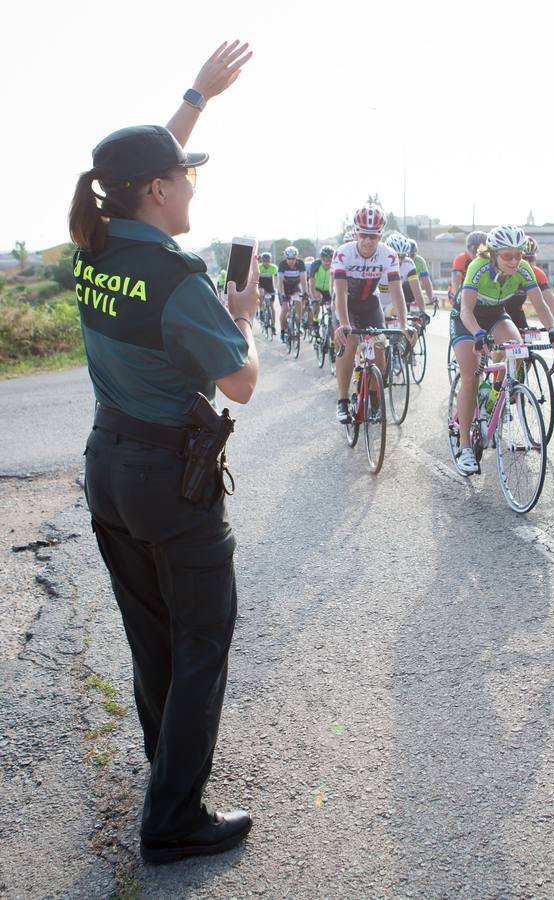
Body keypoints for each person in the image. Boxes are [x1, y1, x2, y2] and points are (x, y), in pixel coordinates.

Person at [67, 41, 258, 865]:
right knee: (203, 642)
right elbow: (241, 384)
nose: (192, 185)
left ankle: (166, 777)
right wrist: (241, 313)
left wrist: (196, 97)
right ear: (159, 190)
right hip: (165, 480)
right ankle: (174, 820)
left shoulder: (95, 242)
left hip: (107, 466)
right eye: (185, 175)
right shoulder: (181, 277)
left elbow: (133, 168)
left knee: (153, 640)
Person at [450, 225, 554, 475]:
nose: (514, 260)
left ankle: (493, 398)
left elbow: (540, 304)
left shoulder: (524, 269)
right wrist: (478, 334)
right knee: (470, 375)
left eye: (518, 254)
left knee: (519, 349)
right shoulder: (477, 268)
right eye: (507, 255)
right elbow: (467, 310)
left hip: (495, 315)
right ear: (493, 254)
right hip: (466, 318)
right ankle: (465, 446)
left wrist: (553, 329)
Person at [332, 204, 410, 424]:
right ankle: (343, 400)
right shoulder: (344, 253)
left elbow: (397, 292)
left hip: (370, 304)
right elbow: (340, 291)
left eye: (373, 236)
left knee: (379, 348)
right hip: (346, 303)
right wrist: (344, 324)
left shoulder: (389, 255)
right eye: (363, 235)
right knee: (350, 343)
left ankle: (375, 398)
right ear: (356, 233)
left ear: (380, 235)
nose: (367, 241)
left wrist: (403, 324)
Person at [278, 245, 307, 341]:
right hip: (284, 288)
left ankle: (298, 324)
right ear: (285, 258)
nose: (291, 261)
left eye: (293, 259)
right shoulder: (282, 264)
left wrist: (305, 292)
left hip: (295, 287)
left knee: (299, 303)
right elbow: (280, 281)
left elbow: (303, 280)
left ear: (296, 258)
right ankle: (282, 331)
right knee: (285, 309)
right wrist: (282, 293)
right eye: (289, 259)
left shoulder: (301, 264)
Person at [449, 230, 487, 304]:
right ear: (468, 248)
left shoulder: (490, 258)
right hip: (463, 286)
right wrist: (456, 296)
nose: (476, 253)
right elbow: (456, 281)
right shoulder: (461, 259)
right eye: (474, 249)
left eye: (481, 249)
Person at [308, 245, 334, 330]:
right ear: (321, 258)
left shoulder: (335, 265)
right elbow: (311, 281)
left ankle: (332, 339)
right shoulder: (315, 264)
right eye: (325, 260)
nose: (327, 262)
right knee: (316, 305)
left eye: (330, 260)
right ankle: (315, 323)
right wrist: (313, 294)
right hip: (317, 288)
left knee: (333, 311)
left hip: (329, 290)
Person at [407, 238, 437, 311]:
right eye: (407, 255)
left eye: (412, 255)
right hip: (400, 288)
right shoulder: (399, 259)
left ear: (416, 253)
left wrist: (431, 297)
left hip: (413, 290)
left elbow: (426, 282)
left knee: (421, 316)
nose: (410, 258)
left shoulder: (419, 261)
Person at [257, 251, 279, 331]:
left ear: (270, 261)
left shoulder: (274, 268)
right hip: (261, 285)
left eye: (268, 261)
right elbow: (256, 280)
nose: (266, 263)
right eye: (264, 261)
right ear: (262, 261)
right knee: (261, 293)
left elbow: (276, 280)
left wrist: (276, 289)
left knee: (272, 306)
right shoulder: (259, 267)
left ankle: (273, 325)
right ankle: (261, 311)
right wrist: (257, 288)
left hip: (270, 286)